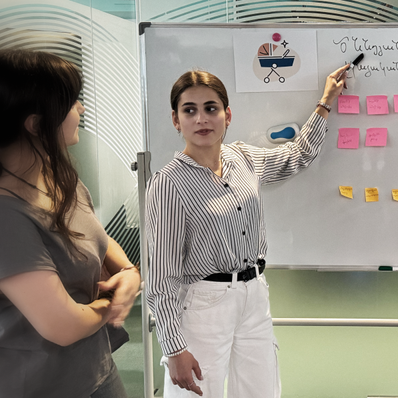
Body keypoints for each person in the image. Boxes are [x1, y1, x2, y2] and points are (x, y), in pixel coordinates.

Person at [146, 64, 349, 398]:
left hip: (254, 294)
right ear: (175, 119)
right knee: (197, 394)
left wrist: (325, 102)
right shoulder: (168, 184)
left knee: (262, 391)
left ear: (227, 115)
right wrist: (174, 348)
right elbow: (162, 278)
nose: (202, 119)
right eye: (190, 110)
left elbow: (295, 156)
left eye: (211, 109)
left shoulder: (242, 157)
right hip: (204, 305)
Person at [0, 49, 141, 397]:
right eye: (72, 102)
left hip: (96, 369)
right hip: (40, 385)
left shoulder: (60, 177)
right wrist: (113, 302)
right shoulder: (7, 214)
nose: (81, 109)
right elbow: (62, 325)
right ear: (36, 124)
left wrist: (127, 272)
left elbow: (98, 237)